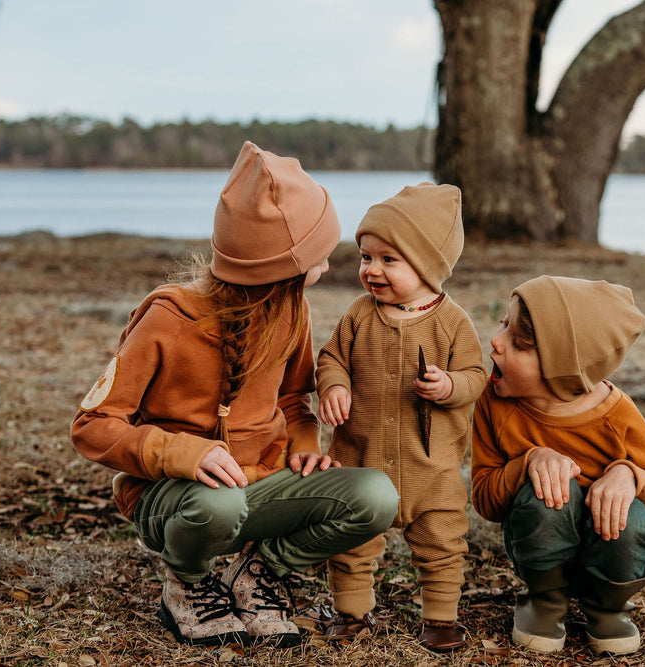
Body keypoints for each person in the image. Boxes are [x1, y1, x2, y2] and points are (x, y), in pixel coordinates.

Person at [70, 142, 399, 649]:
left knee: (376, 497)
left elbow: (294, 401)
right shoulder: (167, 318)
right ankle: (189, 581)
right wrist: (182, 452)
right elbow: (91, 425)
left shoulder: (294, 310)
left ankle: (256, 575)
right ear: (279, 268)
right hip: (175, 500)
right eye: (319, 256)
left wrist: (306, 443)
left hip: (259, 487)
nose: (328, 268)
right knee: (218, 505)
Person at [471, 275, 645, 655]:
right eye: (503, 324)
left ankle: (607, 608)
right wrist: (527, 463)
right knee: (548, 495)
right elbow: (486, 500)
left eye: (517, 343)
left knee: (635, 516)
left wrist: (631, 476)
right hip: (541, 554)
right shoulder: (493, 402)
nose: (496, 340)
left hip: (610, 557)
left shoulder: (617, 415)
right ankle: (544, 602)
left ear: (561, 368)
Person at [316, 182, 488, 652]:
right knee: (351, 537)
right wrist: (335, 384)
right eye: (365, 257)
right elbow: (331, 357)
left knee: (442, 540)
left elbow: (476, 376)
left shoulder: (453, 322)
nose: (371, 270)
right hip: (361, 457)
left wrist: (450, 386)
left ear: (428, 265)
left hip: (429, 467)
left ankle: (440, 617)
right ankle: (351, 610)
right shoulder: (358, 315)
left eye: (388, 260)